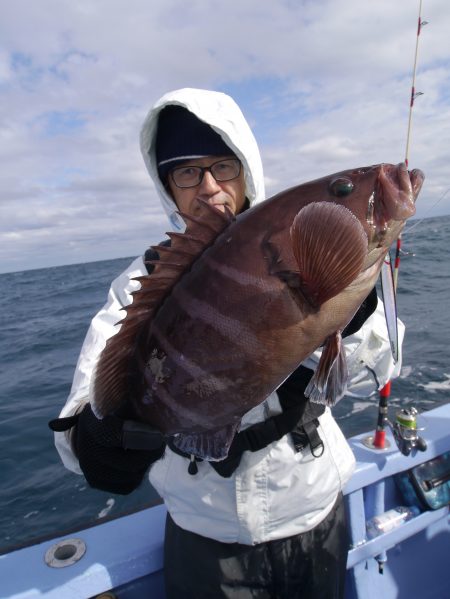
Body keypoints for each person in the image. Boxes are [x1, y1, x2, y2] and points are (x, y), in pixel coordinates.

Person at [51, 88, 403, 598]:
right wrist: (101, 436)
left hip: (313, 508)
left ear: (247, 167)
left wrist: (353, 318)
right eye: (187, 173)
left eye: (223, 165)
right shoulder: (141, 282)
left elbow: (382, 370)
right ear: (167, 186)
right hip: (205, 532)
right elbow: (88, 404)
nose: (210, 187)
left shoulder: (327, 253)